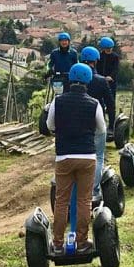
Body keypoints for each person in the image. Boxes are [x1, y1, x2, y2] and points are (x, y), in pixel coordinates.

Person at [46, 63, 105, 252]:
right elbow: (102, 129)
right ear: (88, 81)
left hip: (64, 156)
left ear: (70, 78)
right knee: (84, 200)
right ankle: (81, 242)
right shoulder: (94, 103)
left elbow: (50, 125)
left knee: (61, 201)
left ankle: (57, 244)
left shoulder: (57, 101)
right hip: (87, 156)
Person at [79, 46, 115, 200]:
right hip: (96, 119)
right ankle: (94, 189)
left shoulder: (73, 80)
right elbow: (111, 104)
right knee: (98, 156)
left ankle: (79, 186)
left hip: (77, 121)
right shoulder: (101, 80)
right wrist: (112, 125)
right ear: (96, 61)